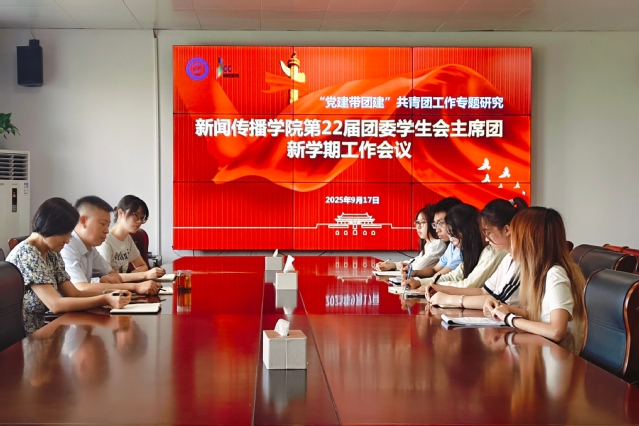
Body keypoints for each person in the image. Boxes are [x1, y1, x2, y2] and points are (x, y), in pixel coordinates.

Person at [6, 197, 131, 335]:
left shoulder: (51, 253)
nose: (67, 241)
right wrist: (105, 299)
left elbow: (74, 293)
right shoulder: (27, 254)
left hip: (44, 333)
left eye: (69, 235)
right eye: (65, 235)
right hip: (25, 338)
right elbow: (55, 305)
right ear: (51, 227)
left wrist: (109, 293)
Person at [487, 207, 586, 354]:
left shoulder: (555, 274)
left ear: (528, 242)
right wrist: (501, 308)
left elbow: (556, 331)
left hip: (559, 358)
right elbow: (537, 314)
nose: (510, 241)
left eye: (513, 236)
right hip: (545, 352)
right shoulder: (540, 272)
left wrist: (509, 318)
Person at [426, 198, 528, 309]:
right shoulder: (507, 258)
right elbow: (484, 291)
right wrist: (440, 289)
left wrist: (449, 299)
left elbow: (499, 301)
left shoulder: (519, 260)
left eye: (488, 232)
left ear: (507, 230)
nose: (486, 238)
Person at [60, 196, 161, 295]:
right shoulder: (67, 246)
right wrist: (135, 287)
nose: (106, 231)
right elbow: (81, 287)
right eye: (102, 224)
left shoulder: (90, 248)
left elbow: (113, 274)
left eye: (108, 225)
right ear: (83, 221)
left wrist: (104, 280)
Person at [404, 203, 507, 291]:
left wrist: (436, 287)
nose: (452, 242)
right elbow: (455, 275)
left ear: (466, 232)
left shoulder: (493, 251)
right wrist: (421, 283)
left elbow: (469, 285)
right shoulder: (473, 251)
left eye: (453, 236)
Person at [97, 195, 165, 281]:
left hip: (123, 286)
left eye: (142, 218)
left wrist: (132, 277)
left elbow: (142, 265)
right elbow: (108, 277)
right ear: (121, 213)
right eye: (136, 215)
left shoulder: (127, 238)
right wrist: (144, 275)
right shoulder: (105, 241)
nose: (139, 221)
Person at [375, 204, 446, 272]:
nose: (418, 227)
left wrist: (401, 266)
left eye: (422, 222)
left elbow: (417, 267)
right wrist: (392, 265)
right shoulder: (428, 244)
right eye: (417, 222)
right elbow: (415, 261)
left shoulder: (438, 244)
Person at [407, 197, 463, 279]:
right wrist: (414, 273)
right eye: (435, 224)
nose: (437, 230)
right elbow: (435, 269)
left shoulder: (461, 248)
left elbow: (439, 276)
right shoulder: (452, 246)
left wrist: (419, 282)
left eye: (440, 223)